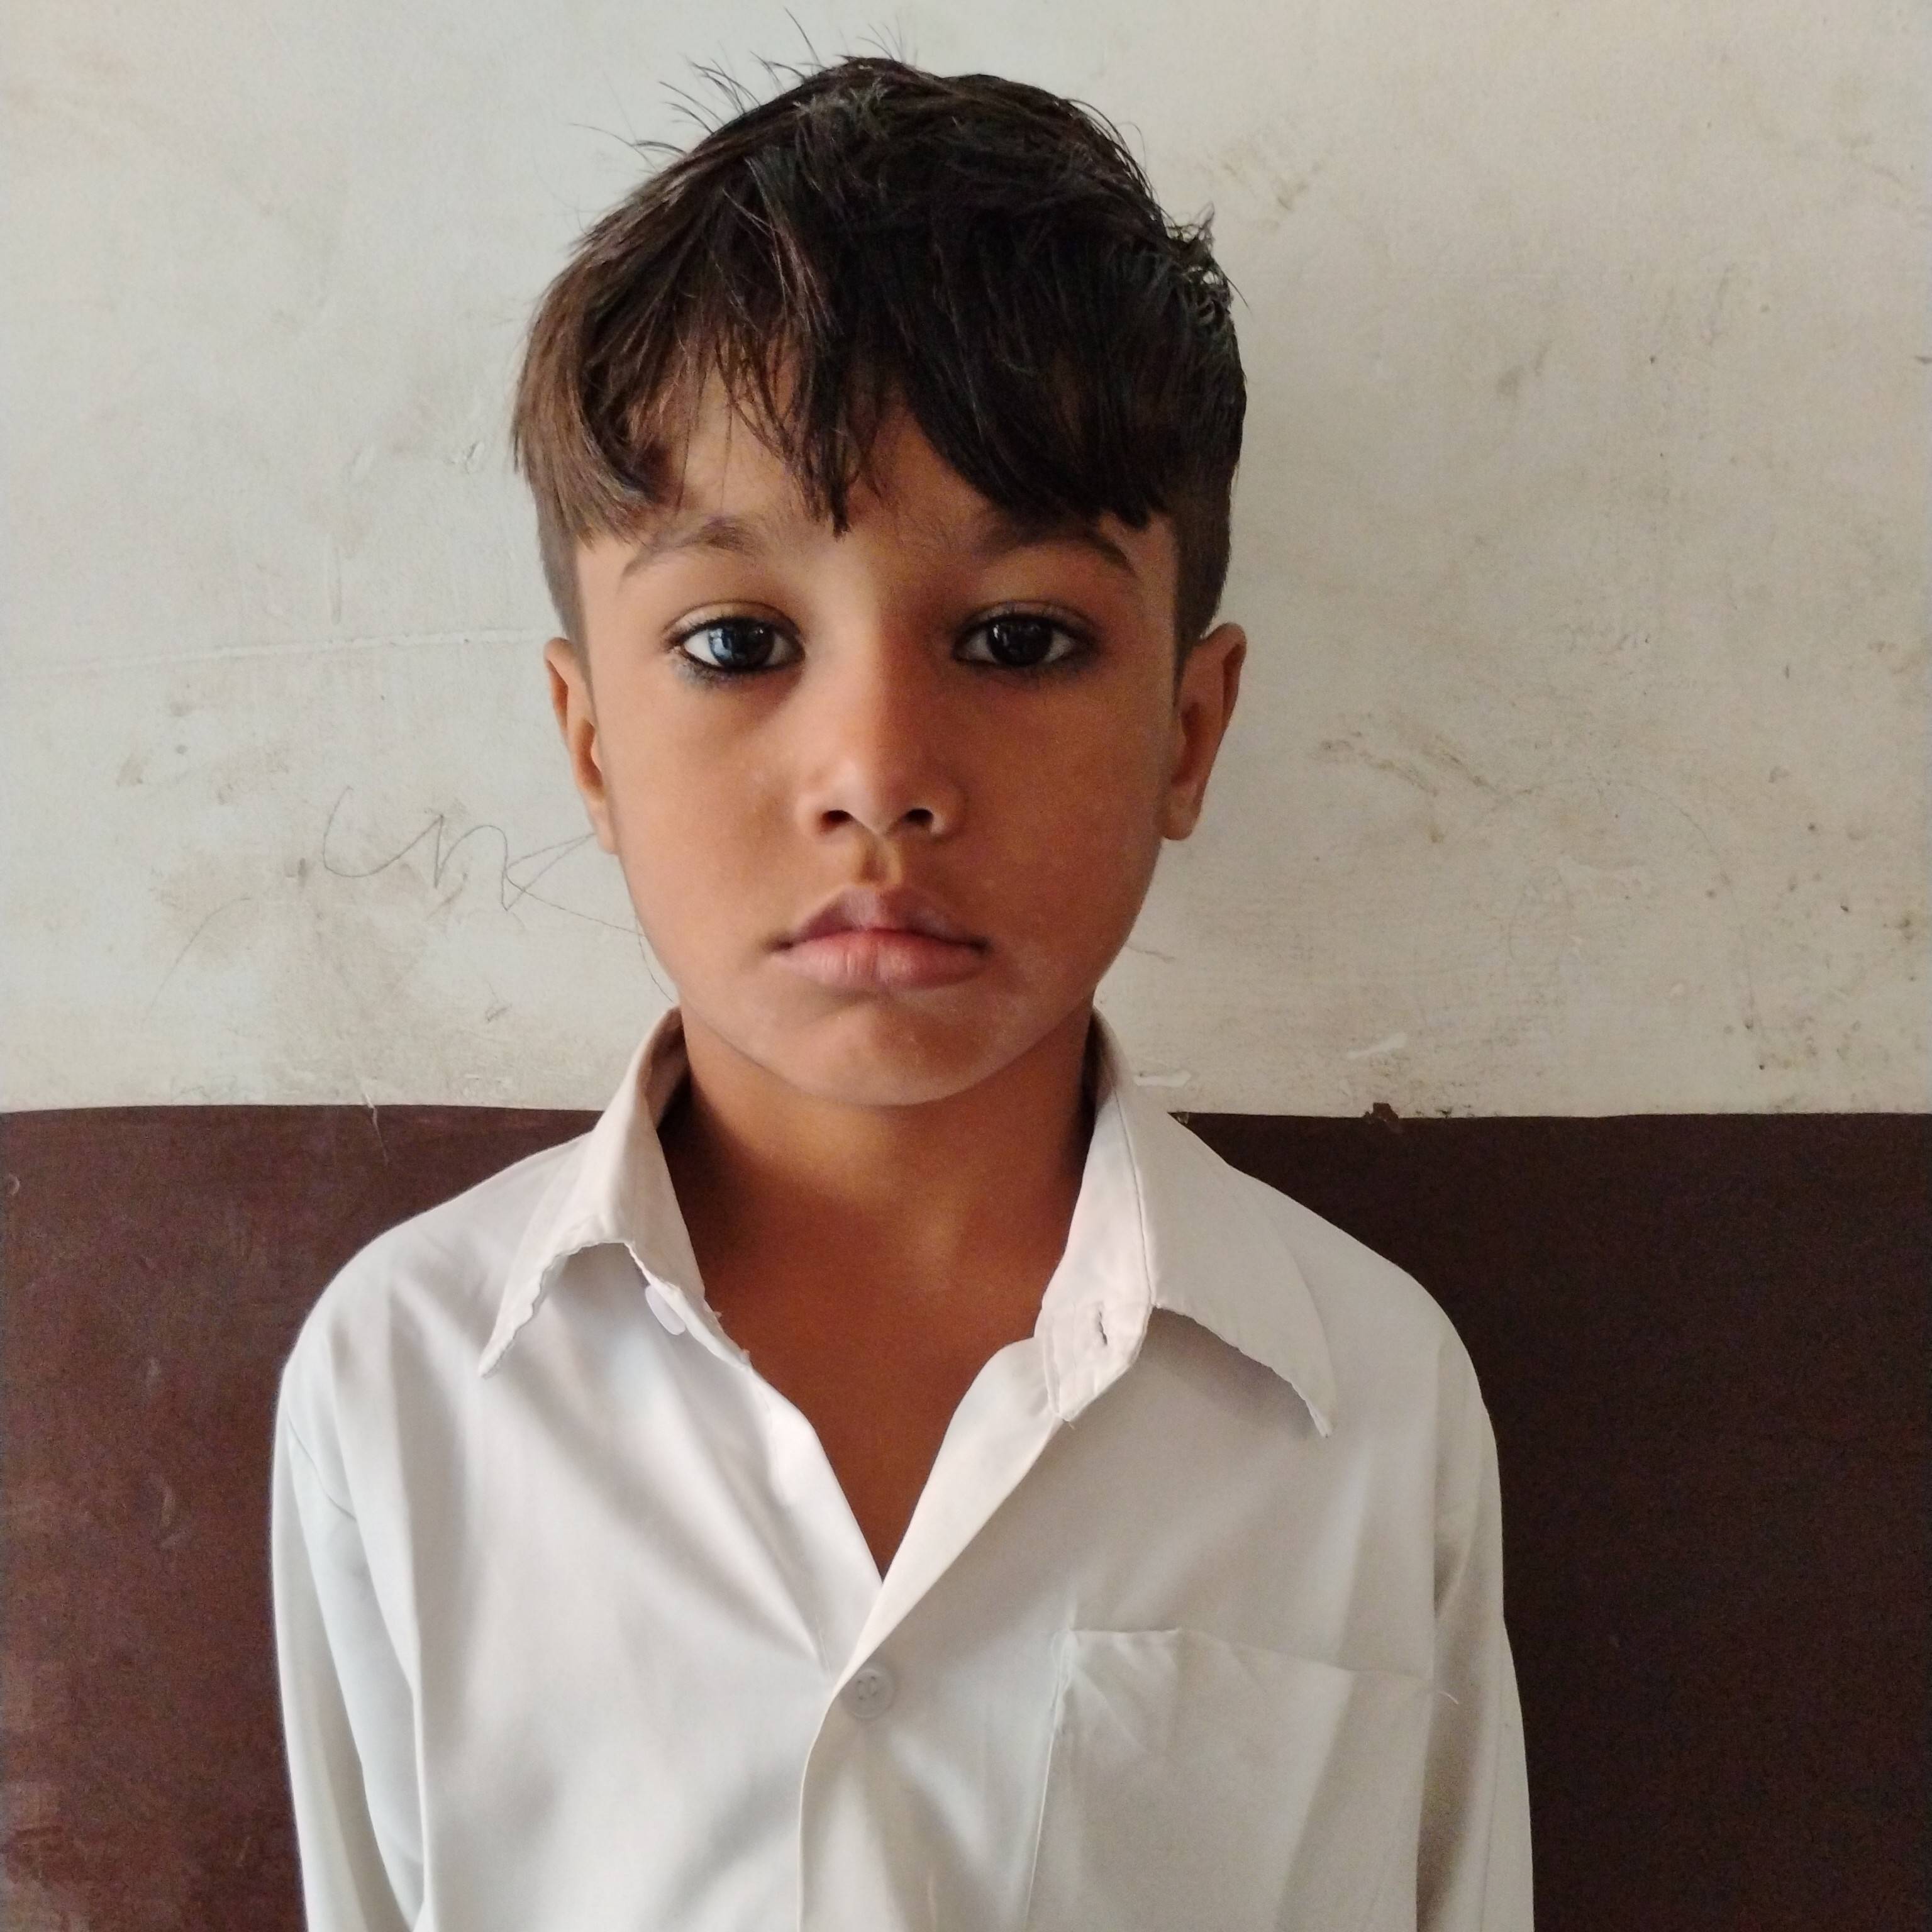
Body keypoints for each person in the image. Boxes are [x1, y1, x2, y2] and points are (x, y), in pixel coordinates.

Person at [270, 54, 1533, 1932]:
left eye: (1018, 637)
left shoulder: (1364, 1396)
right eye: (736, 642)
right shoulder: (408, 1380)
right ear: (590, 741)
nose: (876, 772)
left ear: (1188, 733)